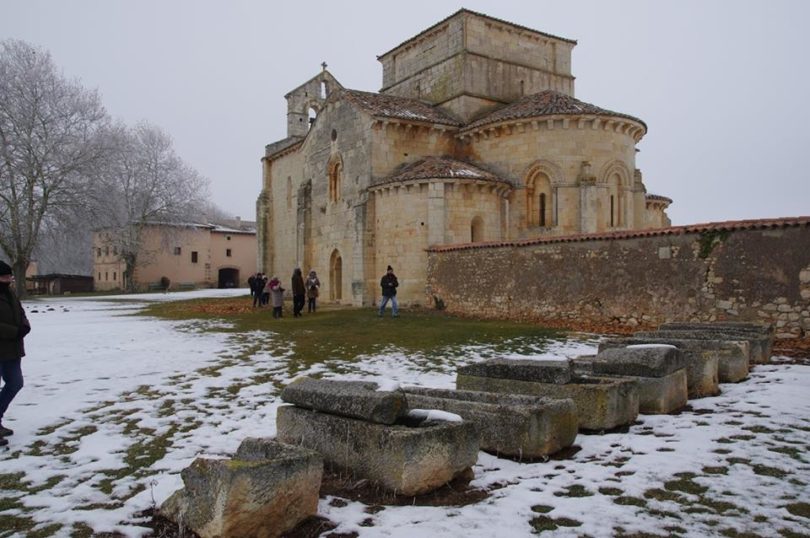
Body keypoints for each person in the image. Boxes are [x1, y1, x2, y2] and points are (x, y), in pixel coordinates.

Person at [0, 261, 30, 447]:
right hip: (5, 343)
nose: (8, 280)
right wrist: (13, 331)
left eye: (9, 277)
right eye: (4, 277)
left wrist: (25, 325)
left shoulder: (9, 293)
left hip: (12, 348)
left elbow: (20, 311)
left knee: (15, 382)